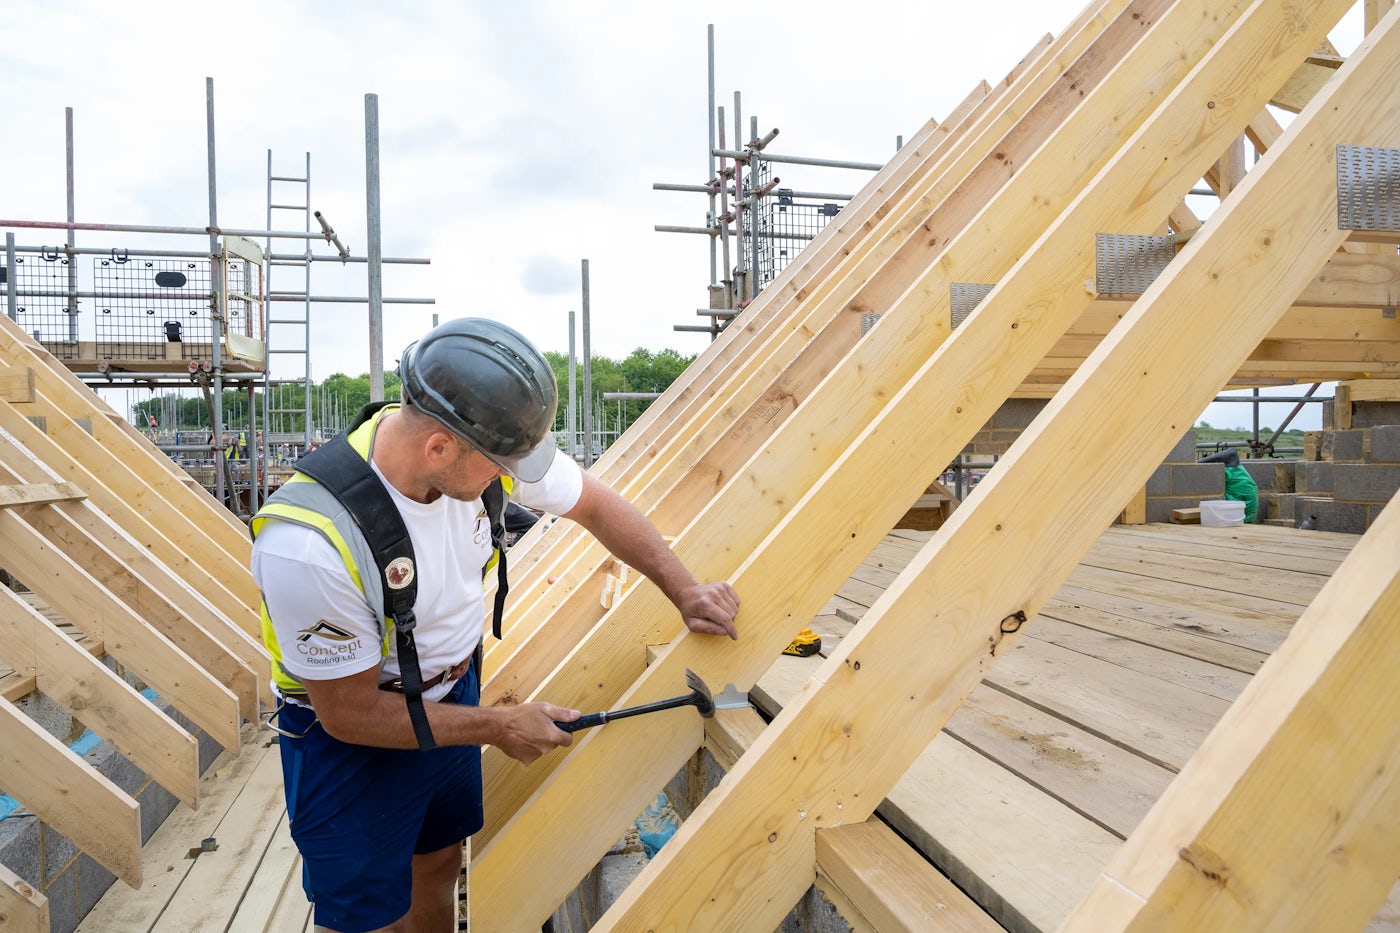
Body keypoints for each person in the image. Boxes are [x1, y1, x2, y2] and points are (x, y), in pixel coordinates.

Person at [250, 317, 739, 933]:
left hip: (451, 691)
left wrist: (685, 589)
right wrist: (497, 725)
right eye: (499, 466)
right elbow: (349, 714)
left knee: (437, 866)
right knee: (367, 913)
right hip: (353, 737)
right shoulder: (310, 543)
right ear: (439, 447)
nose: (511, 478)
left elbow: (594, 503)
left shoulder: (473, 451)